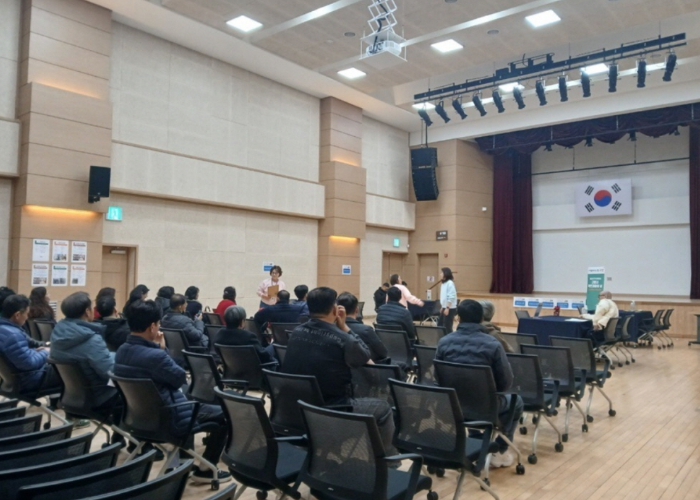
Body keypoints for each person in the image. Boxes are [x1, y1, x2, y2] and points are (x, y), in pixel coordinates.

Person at [114, 300, 231, 483]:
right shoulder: (156, 356)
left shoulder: (122, 350)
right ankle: (206, 470)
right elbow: (179, 378)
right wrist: (162, 349)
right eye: (158, 324)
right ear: (152, 327)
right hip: (167, 421)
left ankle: (183, 461)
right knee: (224, 413)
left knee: (187, 401)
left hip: (137, 419)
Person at [282, 287, 395, 454]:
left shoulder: (296, 333)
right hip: (333, 409)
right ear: (334, 309)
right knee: (383, 408)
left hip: (297, 407)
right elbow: (364, 356)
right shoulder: (342, 339)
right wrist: (345, 328)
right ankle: (386, 462)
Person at [436, 299, 523, 468]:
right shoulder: (493, 344)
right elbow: (505, 383)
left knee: (468, 399)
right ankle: (500, 449)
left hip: (452, 406)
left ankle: (476, 439)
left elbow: (439, 378)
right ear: (482, 319)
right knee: (516, 401)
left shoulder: (444, 342)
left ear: (458, 318)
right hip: (486, 407)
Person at [50, 292, 121, 429]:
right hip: (98, 398)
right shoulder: (90, 339)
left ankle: (119, 438)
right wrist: (120, 358)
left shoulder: (57, 332)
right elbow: (109, 372)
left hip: (71, 397)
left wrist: (111, 355)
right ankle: (123, 438)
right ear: (87, 312)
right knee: (136, 396)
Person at [0, 294, 62, 399]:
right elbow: (30, 363)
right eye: (26, 314)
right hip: (29, 381)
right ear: (17, 315)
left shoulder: (6, 329)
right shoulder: (13, 335)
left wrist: (40, 349)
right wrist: (46, 352)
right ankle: (65, 404)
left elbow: (22, 356)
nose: (27, 317)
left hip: (13, 380)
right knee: (69, 370)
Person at [338, 292, 387, 362]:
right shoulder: (366, 330)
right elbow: (383, 353)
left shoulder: (331, 329)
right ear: (357, 310)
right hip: (367, 367)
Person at [438, 268, 457, 333]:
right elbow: (444, 297)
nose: (440, 274)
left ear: (445, 274)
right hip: (445, 307)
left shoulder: (450, 283)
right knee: (440, 325)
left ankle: (449, 338)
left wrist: (447, 307)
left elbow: (451, 296)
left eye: (442, 273)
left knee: (447, 326)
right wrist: (442, 306)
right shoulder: (443, 284)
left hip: (450, 308)